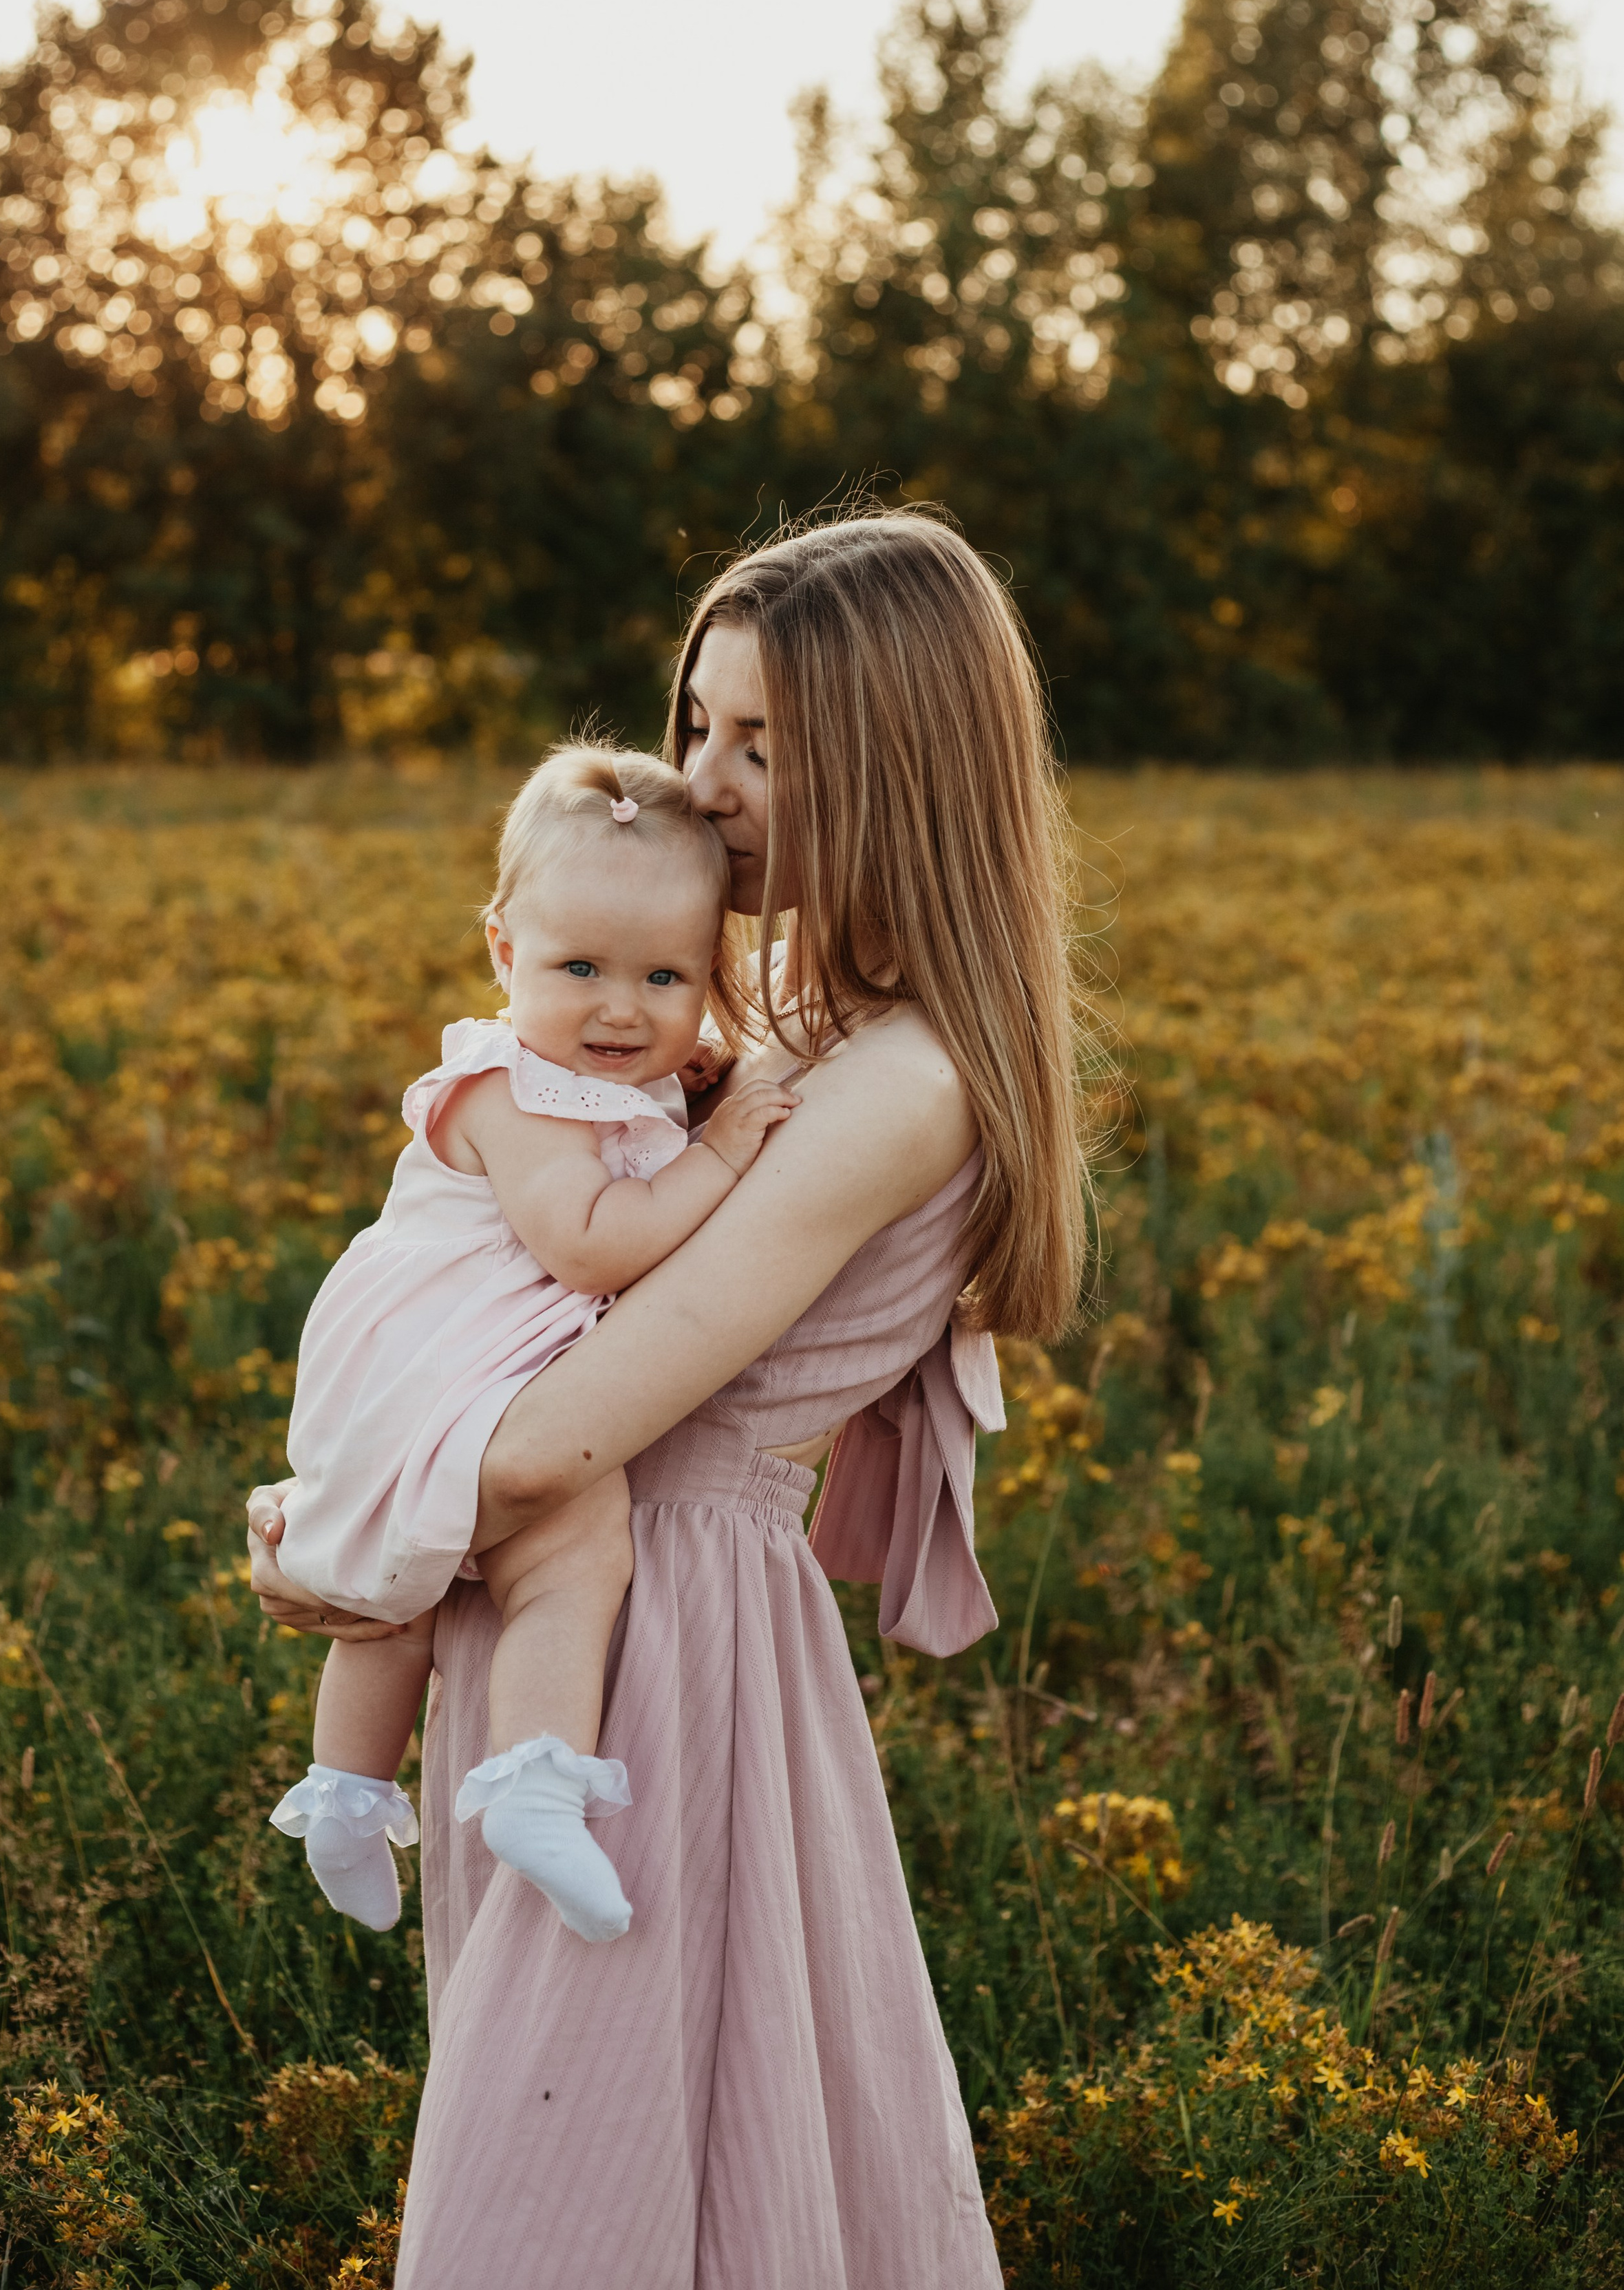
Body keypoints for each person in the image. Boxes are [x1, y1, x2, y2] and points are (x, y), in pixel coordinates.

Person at [249, 510, 1089, 2290]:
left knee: (594, 2149)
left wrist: (358, 1529)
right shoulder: (779, 1008)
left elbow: (567, 1433)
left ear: (901, 764)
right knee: (617, 2130)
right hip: (572, 1599)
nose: (705, 786)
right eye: (700, 725)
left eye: (764, 748)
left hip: (664, 1639)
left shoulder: (898, 1076)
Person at [266, 742, 798, 1940]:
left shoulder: (608, 1072)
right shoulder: (512, 1088)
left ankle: (360, 1796)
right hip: (443, 1357)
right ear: (504, 949)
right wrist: (721, 1148)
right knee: (564, 1549)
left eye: (666, 976)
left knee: (409, 1600)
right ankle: (528, 1780)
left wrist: (686, 1094)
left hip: (463, 1359)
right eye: (580, 968)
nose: (622, 1008)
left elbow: (631, 1125)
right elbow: (595, 1245)